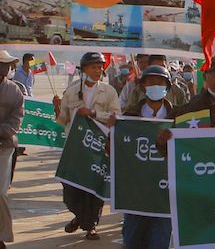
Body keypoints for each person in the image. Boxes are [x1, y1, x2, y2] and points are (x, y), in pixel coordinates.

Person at [53, 52, 120, 241]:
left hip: (97, 146)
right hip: (75, 147)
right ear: (84, 69)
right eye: (94, 67)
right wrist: (57, 108)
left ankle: (90, 226)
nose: (98, 70)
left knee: (93, 188)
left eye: (100, 67)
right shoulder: (72, 91)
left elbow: (116, 117)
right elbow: (63, 120)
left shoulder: (109, 91)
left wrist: (92, 113)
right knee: (71, 188)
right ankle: (80, 216)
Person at [111, 65, 173, 249]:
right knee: (132, 242)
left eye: (160, 82)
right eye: (151, 82)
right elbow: (113, 152)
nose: (155, 86)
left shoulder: (179, 118)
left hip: (165, 198)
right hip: (135, 197)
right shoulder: (128, 118)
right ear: (143, 86)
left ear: (167, 87)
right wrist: (112, 132)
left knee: (159, 243)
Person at [0, 51, 24, 249]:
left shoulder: (15, 91)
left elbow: (16, 120)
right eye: (2, 63)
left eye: (8, 64)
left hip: (3, 147)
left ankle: (1, 236)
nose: (6, 67)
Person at [124, 54, 188, 113]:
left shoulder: (177, 91)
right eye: (155, 67)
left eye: (162, 66)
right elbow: (129, 111)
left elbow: (185, 114)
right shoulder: (138, 90)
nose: (159, 70)